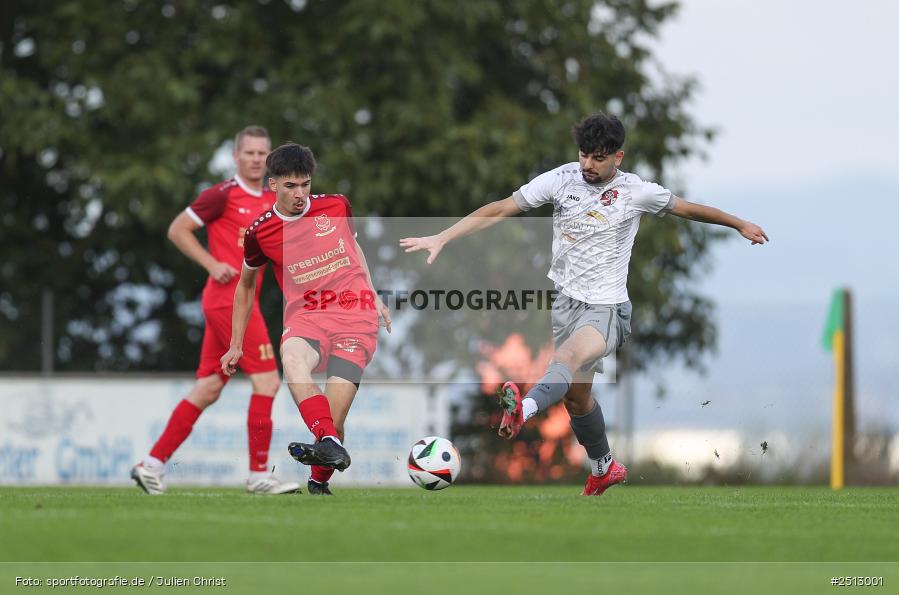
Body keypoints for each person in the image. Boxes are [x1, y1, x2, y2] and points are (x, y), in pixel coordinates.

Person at [400, 113, 768, 496]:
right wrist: (443, 236)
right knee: (576, 398)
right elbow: (500, 209)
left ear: (618, 157)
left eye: (598, 158)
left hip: (606, 310)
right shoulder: (560, 180)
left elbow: (688, 208)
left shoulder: (636, 192)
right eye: (584, 155)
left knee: (566, 360)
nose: (588, 165)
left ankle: (522, 409)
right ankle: (603, 467)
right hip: (566, 306)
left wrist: (738, 223)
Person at [131, 126, 300, 495]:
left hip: (239, 302)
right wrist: (210, 264)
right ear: (236, 157)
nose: (256, 159)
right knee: (268, 381)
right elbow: (178, 230)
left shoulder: (275, 201)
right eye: (250, 153)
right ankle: (258, 474)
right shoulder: (222, 195)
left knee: (208, 388)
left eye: (262, 153)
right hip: (227, 301)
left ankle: (151, 464)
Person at [220, 142, 391, 496]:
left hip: (354, 316)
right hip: (307, 316)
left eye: (305, 184)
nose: (300, 194)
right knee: (293, 358)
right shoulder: (260, 232)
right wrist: (236, 344)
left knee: (334, 417)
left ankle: (318, 479)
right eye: (290, 186)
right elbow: (245, 285)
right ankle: (327, 440)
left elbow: (354, 247)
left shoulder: (337, 205)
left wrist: (374, 295)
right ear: (273, 185)